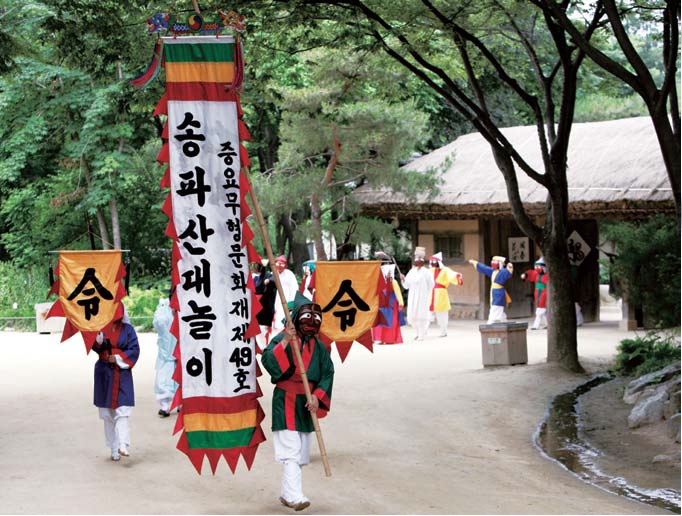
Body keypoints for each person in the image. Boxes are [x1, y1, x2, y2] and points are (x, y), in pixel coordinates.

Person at [261, 291, 334, 512]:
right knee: (291, 451)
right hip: (286, 400)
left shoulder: (319, 346)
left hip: (307, 403)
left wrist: (317, 395)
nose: (312, 323)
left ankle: (286, 492)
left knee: (301, 454)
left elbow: (328, 372)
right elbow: (268, 360)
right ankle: (295, 496)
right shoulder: (284, 337)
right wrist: (285, 340)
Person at [92, 307, 140, 461]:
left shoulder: (128, 330)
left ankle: (123, 444)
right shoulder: (101, 327)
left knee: (123, 409)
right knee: (108, 414)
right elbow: (93, 346)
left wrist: (118, 357)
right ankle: (113, 448)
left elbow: (135, 349)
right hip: (104, 373)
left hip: (122, 373)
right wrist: (97, 342)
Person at [403, 247, 435, 341]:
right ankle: (418, 333)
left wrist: (426, 293)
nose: (418, 262)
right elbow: (406, 285)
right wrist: (403, 279)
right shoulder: (411, 272)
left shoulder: (427, 272)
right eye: (417, 260)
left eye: (420, 260)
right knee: (413, 316)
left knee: (422, 315)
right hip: (413, 296)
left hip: (422, 297)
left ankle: (421, 334)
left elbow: (431, 284)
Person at [153, 297, 178, 417]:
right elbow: (159, 323)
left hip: (178, 349)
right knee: (164, 378)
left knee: (181, 377)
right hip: (165, 351)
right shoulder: (163, 307)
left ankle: (181, 404)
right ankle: (165, 406)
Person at [469, 256, 513, 324]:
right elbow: (484, 268)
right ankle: (502, 322)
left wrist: (509, 267)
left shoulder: (503, 271)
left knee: (496, 309)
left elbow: (509, 273)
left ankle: (491, 323)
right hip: (494, 292)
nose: (494, 263)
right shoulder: (493, 271)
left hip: (499, 293)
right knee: (498, 310)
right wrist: (475, 263)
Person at [429, 252, 463, 337]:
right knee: (427, 313)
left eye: (434, 261)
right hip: (430, 293)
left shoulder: (445, 270)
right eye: (432, 261)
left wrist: (457, 276)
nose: (433, 263)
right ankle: (423, 331)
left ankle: (443, 331)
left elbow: (452, 275)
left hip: (441, 293)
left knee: (442, 313)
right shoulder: (431, 270)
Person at [372, 263, 405, 345]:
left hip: (391, 304)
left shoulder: (393, 282)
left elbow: (398, 293)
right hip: (381, 304)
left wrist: (400, 303)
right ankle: (379, 338)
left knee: (391, 321)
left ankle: (389, 339)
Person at [253, 259, 277, 351]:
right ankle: (263, 347)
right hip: (257, 306)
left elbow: (274, 280)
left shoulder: (269, 275)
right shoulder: (255, 277)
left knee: (264, 328)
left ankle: (266, 347)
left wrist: (269, 281)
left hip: (266, 306)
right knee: (258, 328)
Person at [272, 255, 299, 332]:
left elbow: (294, 288)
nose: (279, 266)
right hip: (277, 297)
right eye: (278, 264)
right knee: (277, 312)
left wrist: (292, 300)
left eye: (282, 264)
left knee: (285, 313)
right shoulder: (274, 273)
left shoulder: (289, 274)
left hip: (287, 296)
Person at [521, 257, 549, 330]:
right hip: (537, 291)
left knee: (540, 309)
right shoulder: (536, 274)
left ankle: (536, 325)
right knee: (542, 309)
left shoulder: (548, 275)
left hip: (544, 292)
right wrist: (525, 275)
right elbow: (530, 273)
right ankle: (548, 324)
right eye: (536, 266)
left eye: (538, 266)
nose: (537, 268)